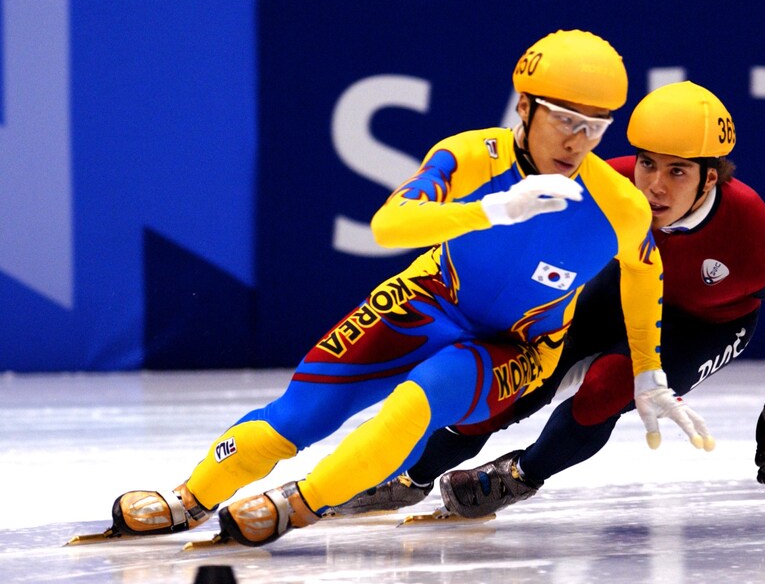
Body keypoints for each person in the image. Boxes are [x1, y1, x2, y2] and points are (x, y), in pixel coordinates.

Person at [108, 30, 713, 547]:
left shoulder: (621, 207)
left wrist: (648, 371)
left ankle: (297, 506)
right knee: (301, 413)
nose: (578, 142)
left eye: (595, 127)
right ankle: (191, 496)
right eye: (565, 121)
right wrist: (492, 210)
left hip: (520, 345)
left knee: (418, 402)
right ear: (524, 107)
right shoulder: (471, 157)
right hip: (429, 297)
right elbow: (389, 223)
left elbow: (644, 272)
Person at [334, 81, 765, 519]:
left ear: (710, 180)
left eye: (678, 171)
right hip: (621, 290)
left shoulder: (751, 234)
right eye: (647, 163)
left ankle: (523, 474)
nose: (655, 186)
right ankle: (410, 476)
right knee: (517, 378)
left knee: (608, 385)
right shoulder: (610, 184)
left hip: (706, 324)